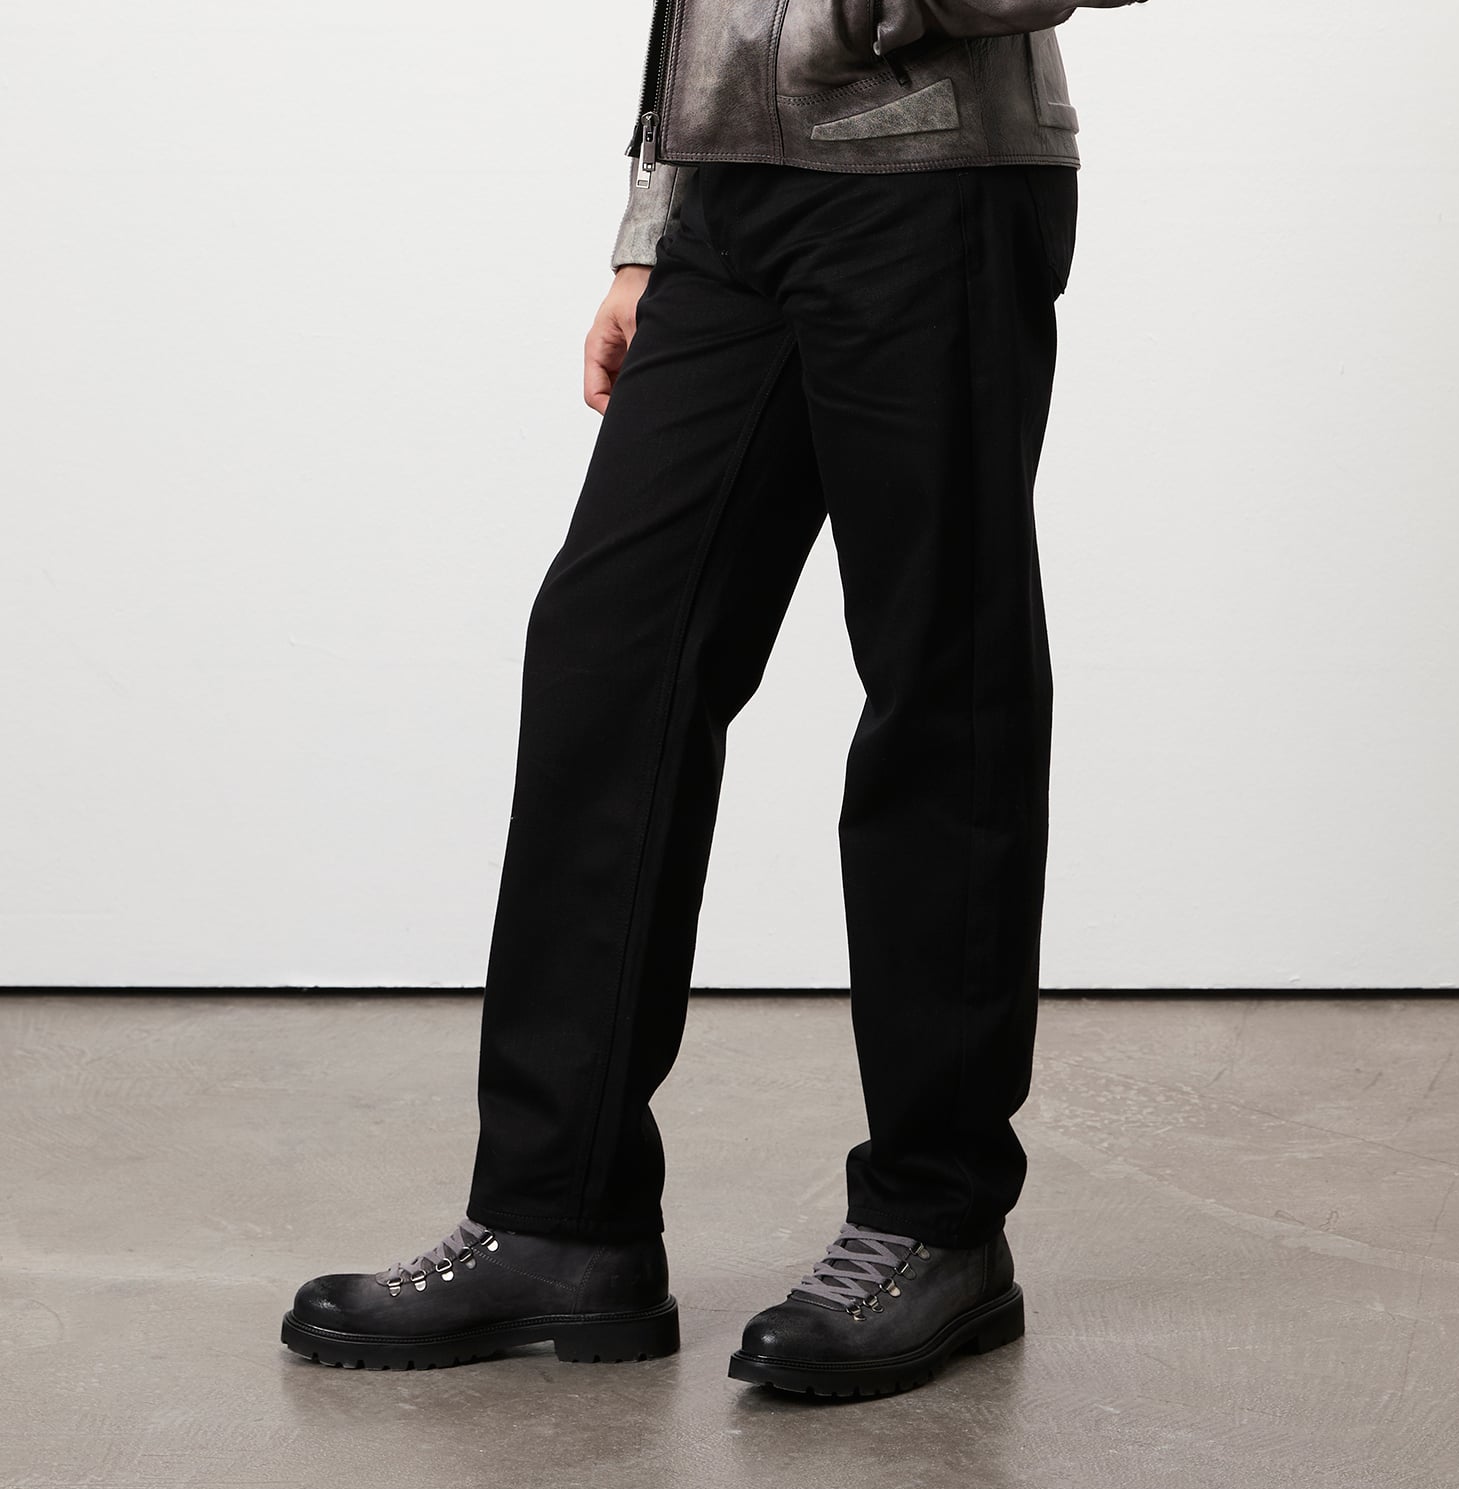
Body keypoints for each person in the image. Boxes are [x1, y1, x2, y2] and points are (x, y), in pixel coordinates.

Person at [280, 0, 1146, 1398]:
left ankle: (937, 1223)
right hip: (728, 203)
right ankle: (561, 1219)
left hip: (935, 187)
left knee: (943, 685)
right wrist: (652, 219)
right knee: (608, 661)